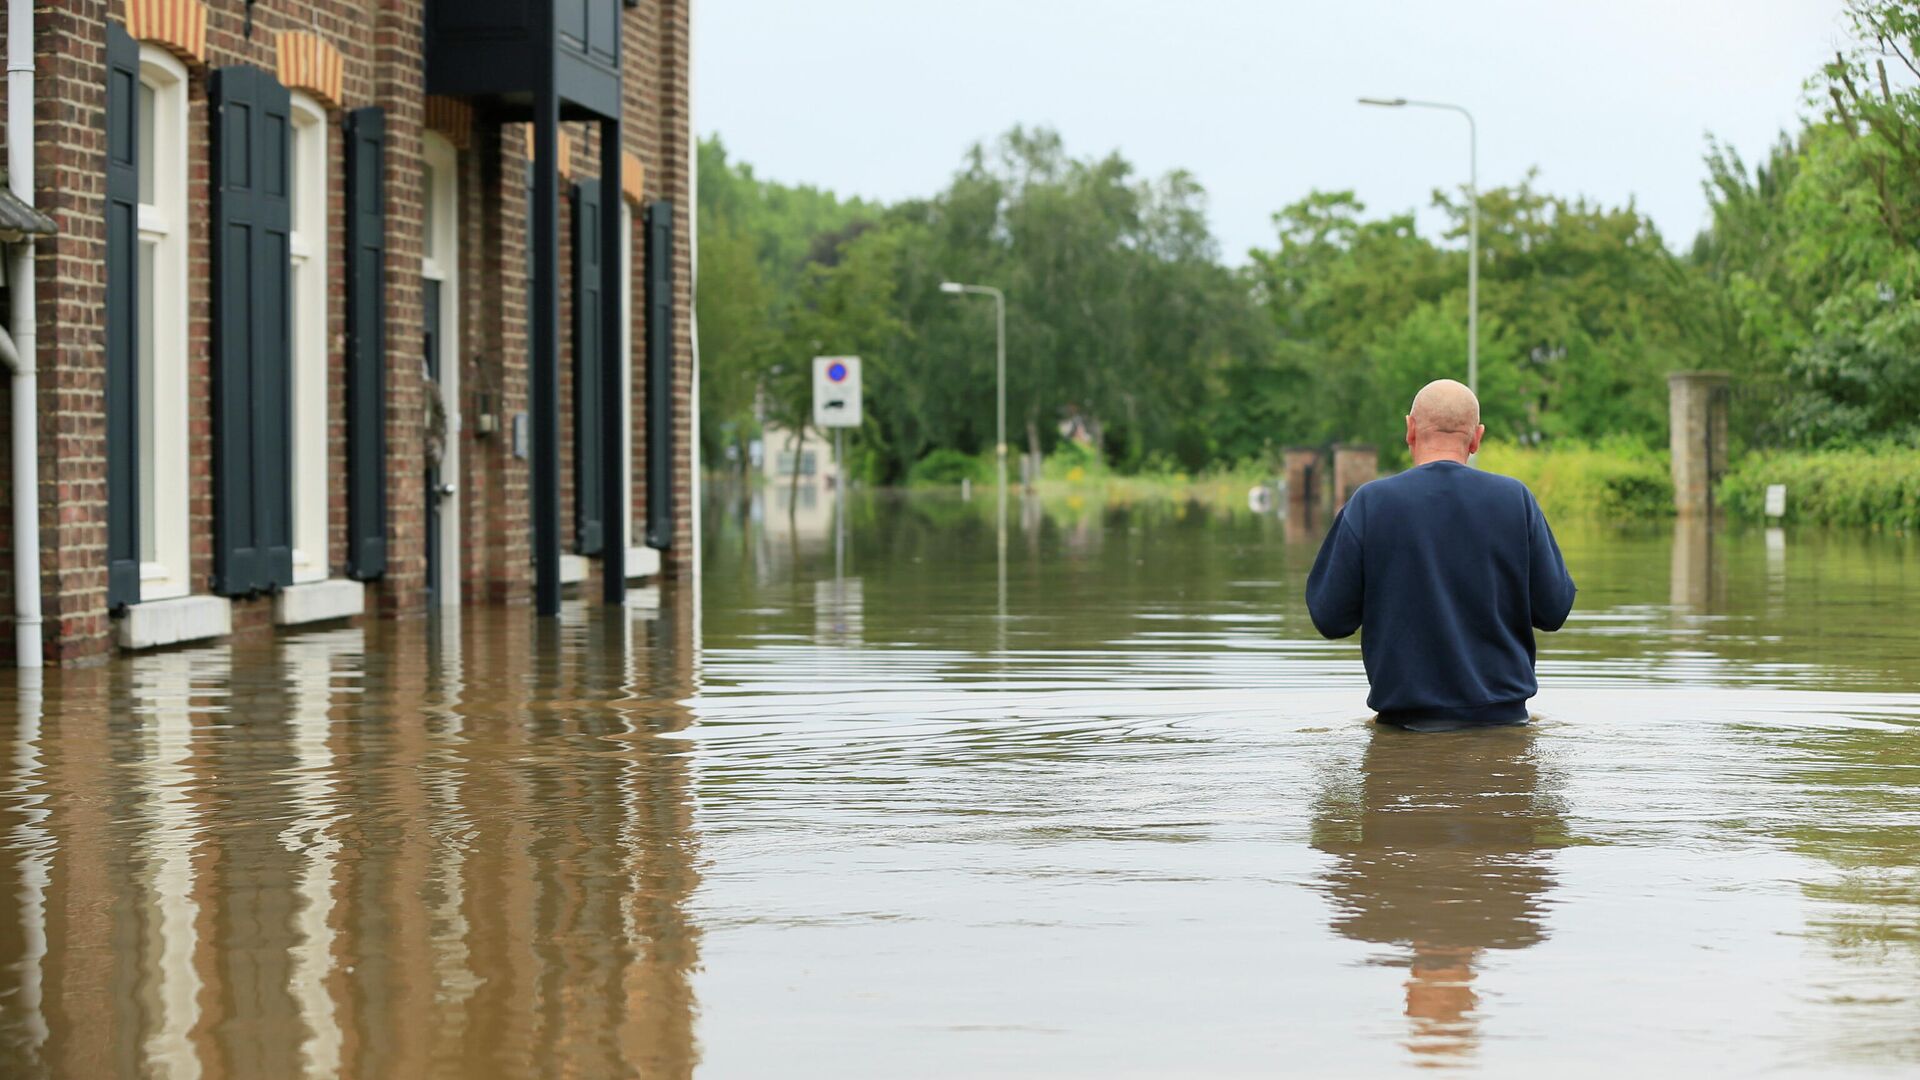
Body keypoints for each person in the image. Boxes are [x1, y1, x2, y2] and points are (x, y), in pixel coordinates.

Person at [1304, 379, 1576, 731]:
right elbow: (1553, 610)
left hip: (1404, 732)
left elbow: (1330, 618)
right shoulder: (1515, 500)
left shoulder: (1370, 504)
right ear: (1476, 437)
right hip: (1505, 726)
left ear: (1410, 430)